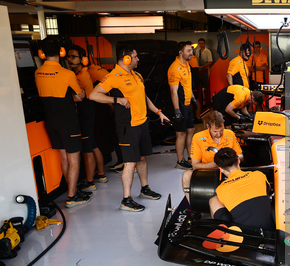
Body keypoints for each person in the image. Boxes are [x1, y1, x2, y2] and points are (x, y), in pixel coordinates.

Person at [90, 44, 170, 212]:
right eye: (135, 56)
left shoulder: (137, 75)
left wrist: (158, 112)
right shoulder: (114, 76)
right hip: (128, 126)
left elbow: (144, 96)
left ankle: (145, 188)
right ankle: (126, 199)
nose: (138, 59)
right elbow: (93, 94)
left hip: (142, 123)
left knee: (141, 158)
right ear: (126, 58)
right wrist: (116, 100)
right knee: (129, 163)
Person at [34, 37, 89, 208]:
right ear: (62, 52)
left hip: (50, 122)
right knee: (74, 158)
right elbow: (80, 96)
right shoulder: (67, 74)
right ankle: (72, 196)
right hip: (68, 121)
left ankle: (72, 191)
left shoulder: (37, 73)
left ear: (41, 53)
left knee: (64, 158)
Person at [66, 45, 107, 190]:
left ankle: (89, 182)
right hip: (89, 109)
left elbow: (78, 97)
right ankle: (101, 174)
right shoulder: (79, 72)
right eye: (68, 57)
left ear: (83, 59)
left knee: (87, 149)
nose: (69, 59)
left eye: (73, 57)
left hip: (85, 110)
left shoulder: (81, 75)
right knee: (93, 144)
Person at [181, 110, 243, 204]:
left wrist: (228, 160)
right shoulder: (198, 138)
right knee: (186, 176)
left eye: (221, 130)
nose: (218, 134)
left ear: (223, 124)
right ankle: (193, 206)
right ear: (208, 126)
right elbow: (195, 165)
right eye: (215, 131)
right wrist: (217, 162)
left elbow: (241, 156)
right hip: (208, 172)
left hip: (229, 170)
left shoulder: (230, 134)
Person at [209, 147, 275, 231]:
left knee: (213, 200)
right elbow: (268, 190)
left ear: (221, 169)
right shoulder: (259, 175)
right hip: (269, 231)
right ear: (238, 160)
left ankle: (222, 235)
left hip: (242, 237)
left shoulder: (221, 189)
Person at [168, 41, 197, 170]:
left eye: (191, 50)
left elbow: (187, 86)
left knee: (191, 130)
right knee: (181, 134)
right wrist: (177, 110)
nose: (191, 53)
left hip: (187, 103)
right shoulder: (175, 68)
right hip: (179, 106)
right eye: (189, 51)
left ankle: (190, 157)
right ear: (180, 52)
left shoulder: (187, 65)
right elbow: (173, 91)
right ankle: (180, 161)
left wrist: (193, 99)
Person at [194, 38, 213, 104]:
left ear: (204, 44)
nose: (201, 45)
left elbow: (210, 62)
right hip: (198, 71)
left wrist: (202, 66)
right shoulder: (197, 51)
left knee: (206, 85)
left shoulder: (207, 51)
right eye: (200, 43)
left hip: (205, 70)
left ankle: (207, 102)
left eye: (202, 43)